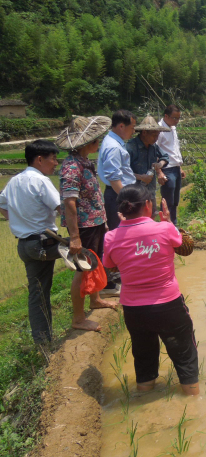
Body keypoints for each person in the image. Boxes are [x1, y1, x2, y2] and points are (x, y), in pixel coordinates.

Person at [102, 184, 199, 395]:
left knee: (144, 358)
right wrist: (168, 221)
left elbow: (110, 265)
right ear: (148, 204)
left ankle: (143, 403)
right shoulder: (164, 229)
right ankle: (193, 401)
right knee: (185, 355)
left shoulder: (110, 237)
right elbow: (182, 245)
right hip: (169, 306)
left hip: (134, 311)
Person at [57, 116, 118, 333]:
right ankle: (78, 318)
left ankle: (96, 299)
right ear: (87, 143)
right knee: (82, 269)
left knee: (95, 263)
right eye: (96, 139)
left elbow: (91, 196)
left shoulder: (84, 162)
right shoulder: (72, 167)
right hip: (84, 226)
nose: (99, 142)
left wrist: (103, 221)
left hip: (95, 222)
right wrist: (74, 236)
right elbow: (69, 202)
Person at [0, 140, 61, 343]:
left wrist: (16, 219)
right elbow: (61, 208)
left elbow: (1, 203)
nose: (56, 163)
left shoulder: (14, 181)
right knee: (85, 251)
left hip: (25, 245)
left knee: (37, 294)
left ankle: (42, 342)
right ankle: (89, 306)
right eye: (53, 158)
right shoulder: (41, 181)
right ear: (40, 159)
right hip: (43, 244)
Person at [97, 109, 137, 296]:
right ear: (121, 126)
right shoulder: (113, 146)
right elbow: (114, 179)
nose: (133, 131)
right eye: (132, 127)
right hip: (117, 195)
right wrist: (127, 200)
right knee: (117, 236)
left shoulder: (113, 142)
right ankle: (109, 283)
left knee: (121, 236)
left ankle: (118, 275)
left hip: (119, 194)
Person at [126, 114, 171, 217]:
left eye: (157, 135)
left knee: (151, 216)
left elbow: (165, 157)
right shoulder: (131, 147)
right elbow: (123, 171)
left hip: (150, 191)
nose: (156, 138)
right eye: (154, 135)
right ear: (144, 132)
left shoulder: (153, 146)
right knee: (136, 218)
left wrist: (160, 164)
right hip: (135, 192)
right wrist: (140, 177)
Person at [157, 105, 185, 225]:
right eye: (174, 118)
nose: (176, 121)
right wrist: (159, 172)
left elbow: (174, 148)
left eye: (178, 118)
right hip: (166, 169)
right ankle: (166, 227)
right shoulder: (159, 129)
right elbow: (155, 151)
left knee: (174, 201)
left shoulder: (172, 127)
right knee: (167, 202)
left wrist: (180, 166)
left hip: (175, 168)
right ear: (166, 116)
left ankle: (173, 225)